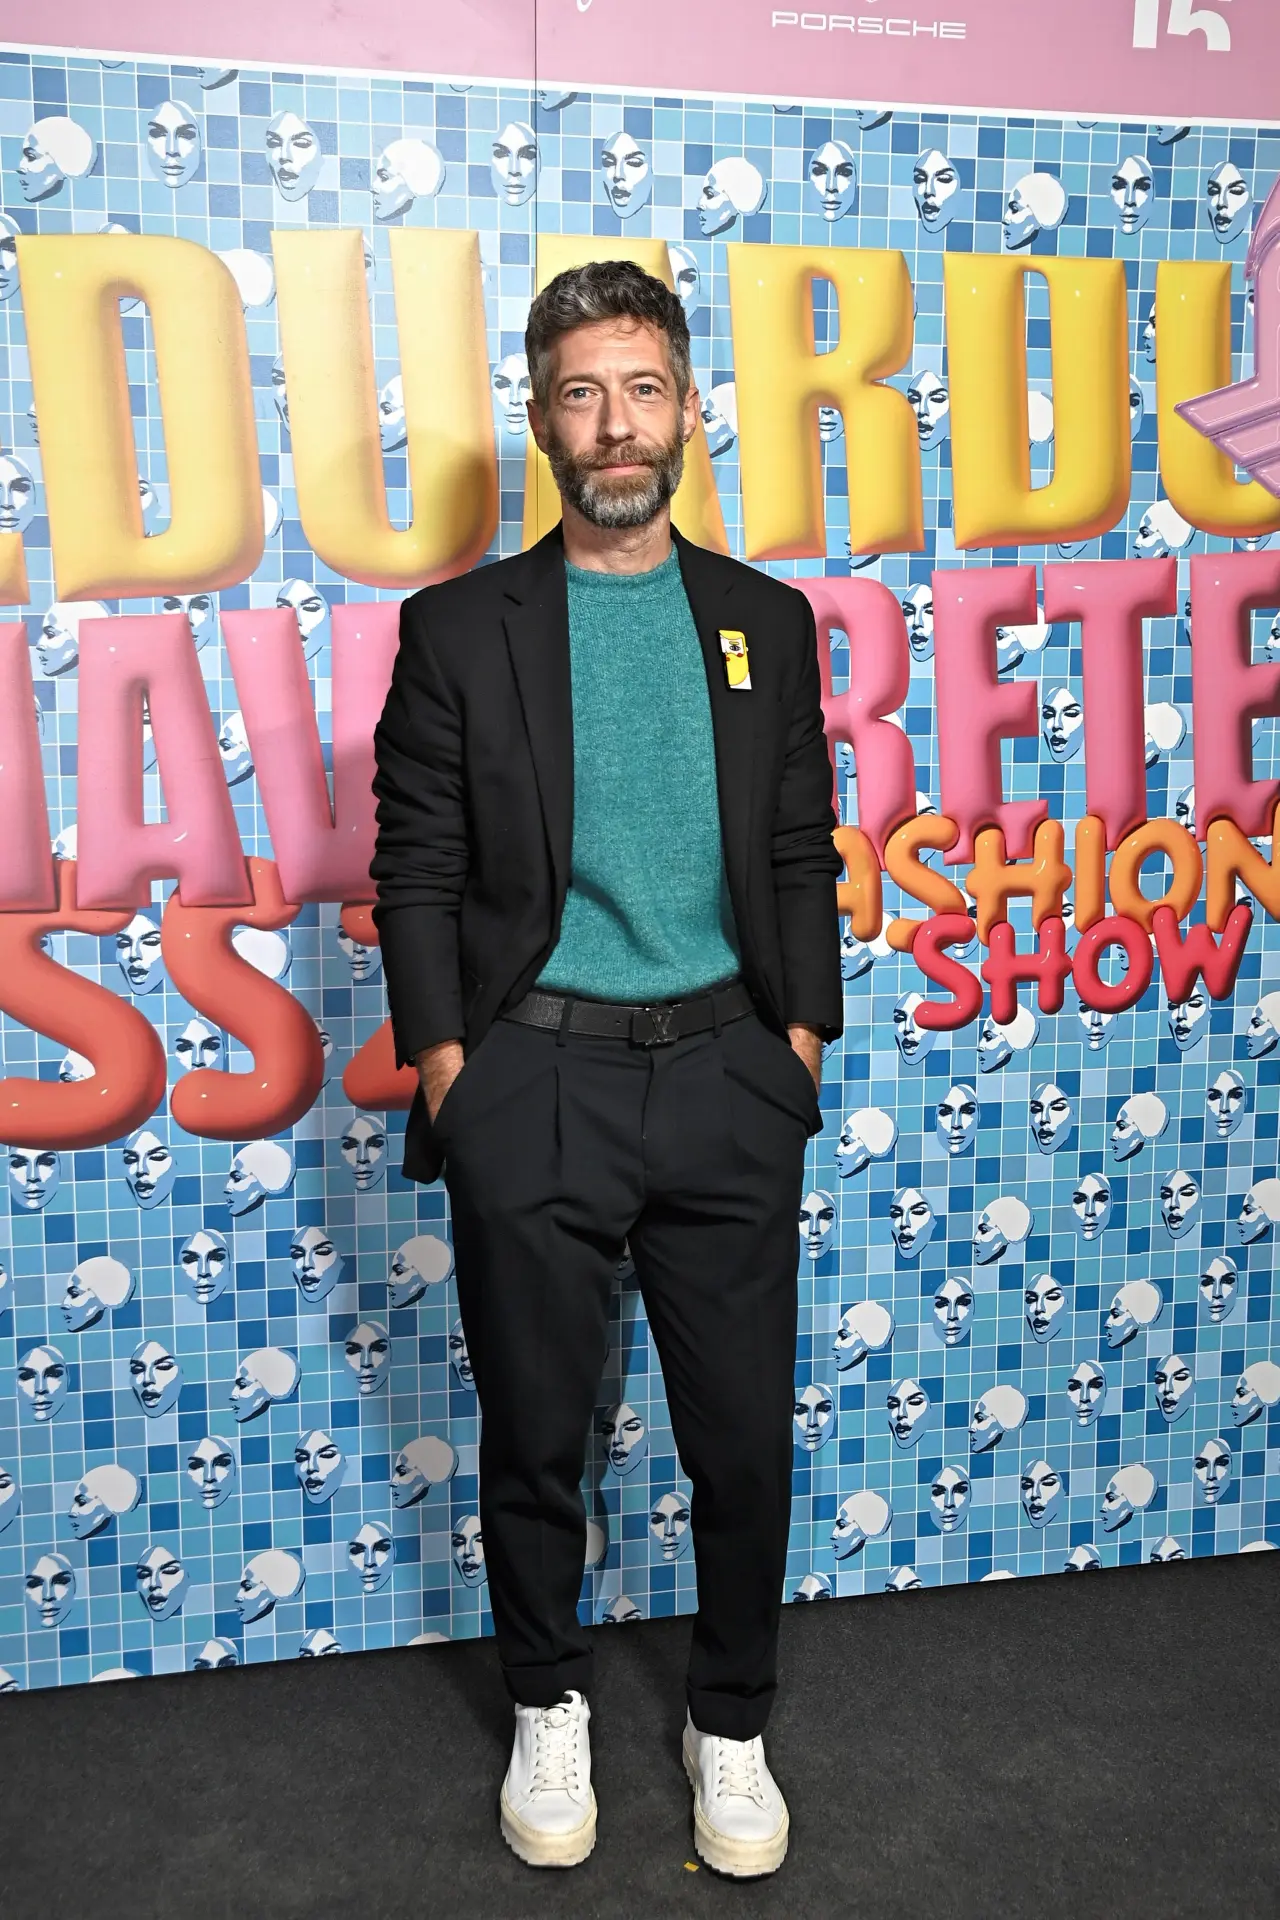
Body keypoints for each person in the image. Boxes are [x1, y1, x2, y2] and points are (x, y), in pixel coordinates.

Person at [372, 259, 842, 1878]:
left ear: (690, 409)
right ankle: (546, 1704)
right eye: (583, 393)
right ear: (543, 420)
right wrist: (455, 1072)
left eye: (642, 388)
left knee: (745, 1444)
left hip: (727, 1076)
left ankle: (732, 1724)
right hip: (537, 1084)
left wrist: (796, 1048)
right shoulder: (458, 631)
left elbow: (799, 850)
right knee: (533, 1439)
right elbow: (416, 870)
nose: (615, 422)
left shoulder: (766, 623)